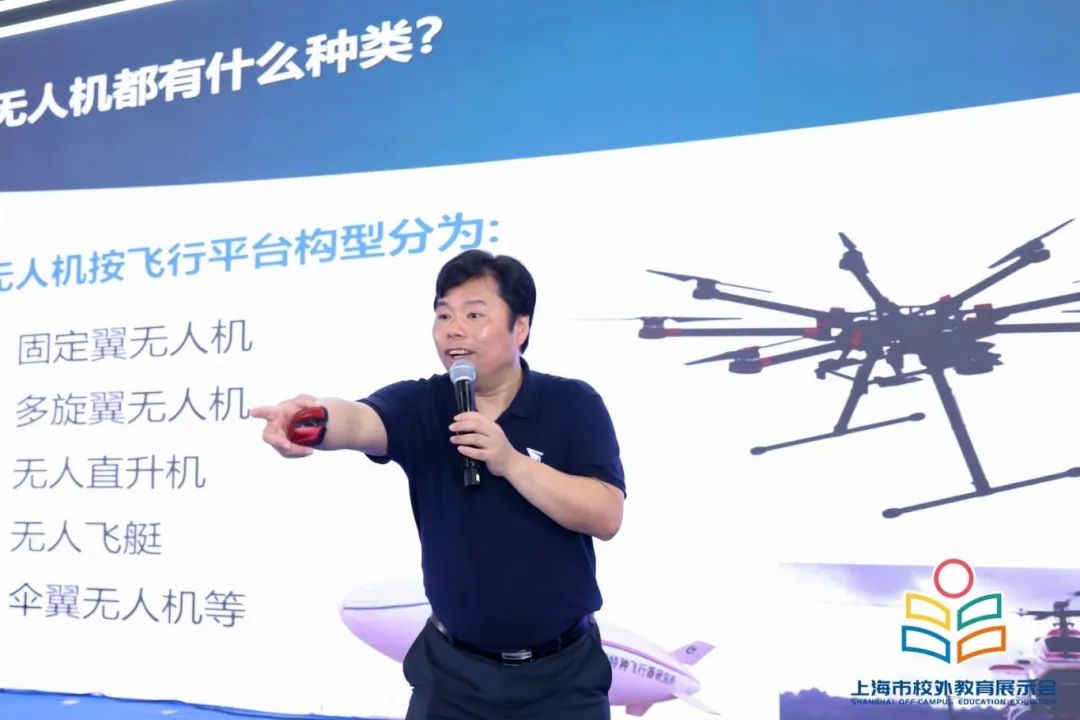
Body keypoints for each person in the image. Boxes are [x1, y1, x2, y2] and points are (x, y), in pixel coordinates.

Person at [251, 249, 626, 719]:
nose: (453, 329)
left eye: (474, 314)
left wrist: (510, 461)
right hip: (454, 678)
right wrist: (311, 419)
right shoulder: (424, 404)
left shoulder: (573, 403)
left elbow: (605, 515)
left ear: (521, 327)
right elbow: (361, 421)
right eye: (444, 315)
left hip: (563, 678)